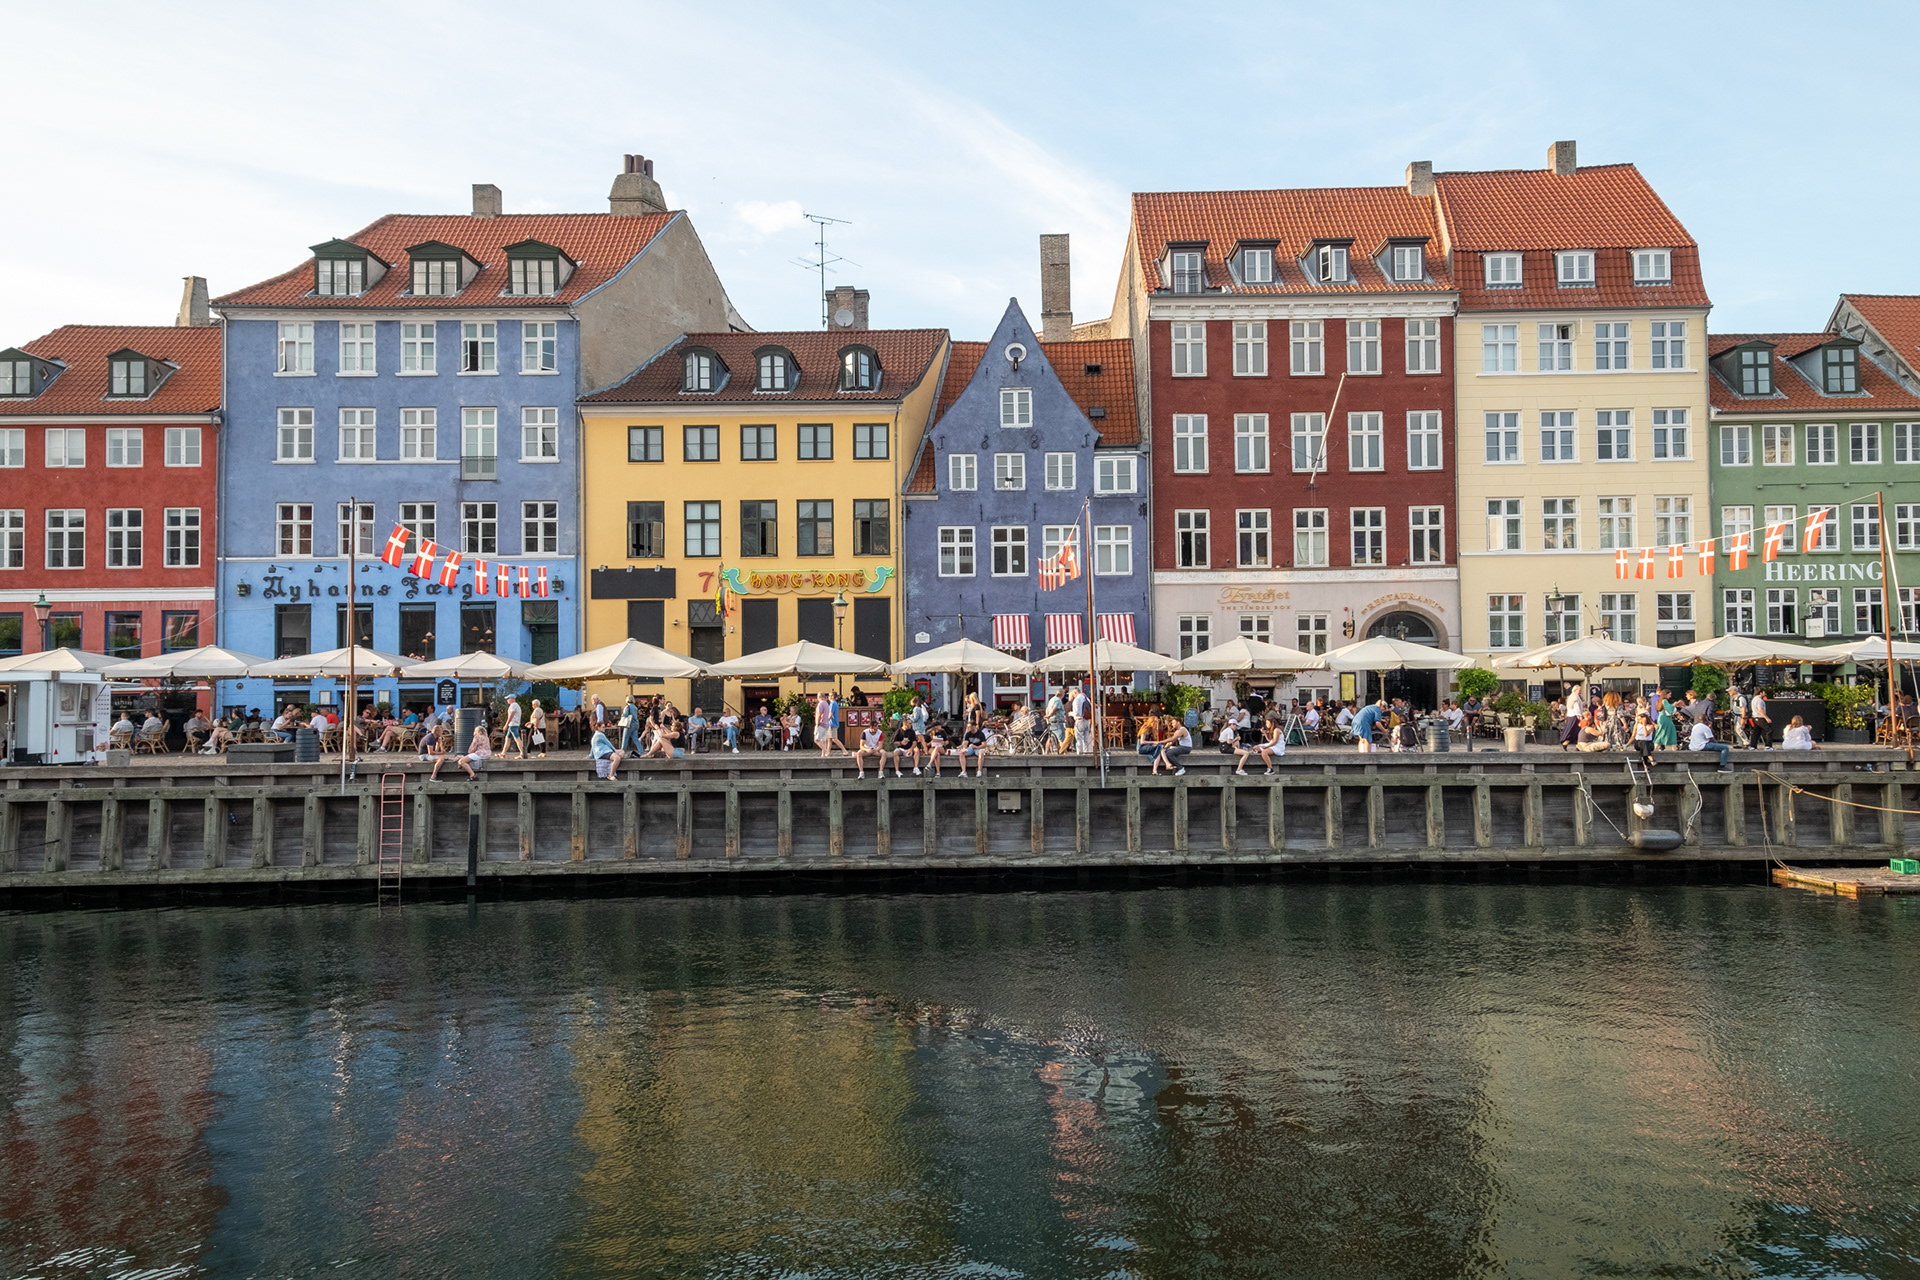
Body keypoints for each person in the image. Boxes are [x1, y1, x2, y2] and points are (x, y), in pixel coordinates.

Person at [1071, 683, 1093, 755]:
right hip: (1087, 720)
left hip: (1079, 720)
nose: (1073, 696)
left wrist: (1072, 714)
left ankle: (1079, 753)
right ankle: (1086, 751)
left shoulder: (1076, 700)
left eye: (1073, 694)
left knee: (1079, 737)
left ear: (1075, 692)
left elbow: (1077, 712)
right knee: (1086, 737)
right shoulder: (1086, 698)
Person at [1044, 688, 1066, 753]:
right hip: (1057, 721)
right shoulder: (1058, 700)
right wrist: (1049, 715)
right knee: (1061, 739)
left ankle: (1046, 752)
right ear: (1062, 694)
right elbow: (1055, 708)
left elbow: (1047, 708)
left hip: (1051, 721)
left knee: (1050, 737)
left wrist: (1047, 715)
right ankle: (1065, 754)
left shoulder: (1051, 699)